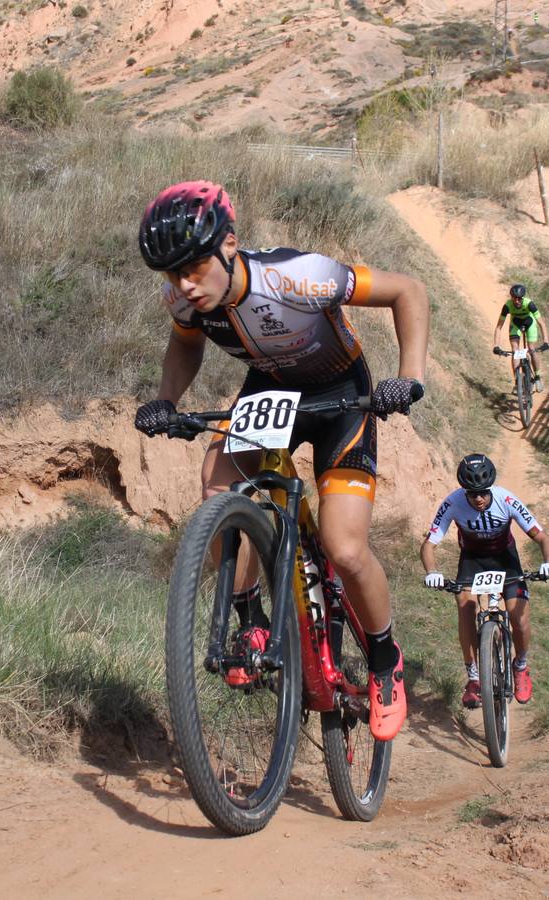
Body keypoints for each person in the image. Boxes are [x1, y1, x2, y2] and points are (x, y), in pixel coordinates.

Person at [133, 181, 430, 742]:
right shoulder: (183, 297)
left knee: (344, 547)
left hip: (343, 396)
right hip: (273, 395)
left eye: (194, 267)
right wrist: (167, 403)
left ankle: (386, 661)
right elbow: (187, 343)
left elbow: (407, 291)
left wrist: (408, 380)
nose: (184, 285)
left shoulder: (296, 275)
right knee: (216, 485)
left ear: (230, 244)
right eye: (171, 274)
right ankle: (251, 623)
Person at [420, 453, 549, 708]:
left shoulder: (506, 499)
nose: (479, 498)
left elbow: (542, 537)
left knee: (519, 616)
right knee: (465, 606)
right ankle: (473, 677)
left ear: (491, 487)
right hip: (472, 560)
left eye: (483, 492)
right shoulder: (452, 503)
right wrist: (432, 572)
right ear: (465, 491)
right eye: (472, 494)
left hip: (505, 560)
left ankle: (521, 666)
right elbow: (429, 544)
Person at [494, 283, 549, 393]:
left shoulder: (529, 304)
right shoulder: (507, 306)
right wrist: (496, 345)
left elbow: (541, 323)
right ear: (511, 297)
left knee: (531, 349)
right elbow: (499, 327)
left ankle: (537, 377)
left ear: (522, 298)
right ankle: (517, 382)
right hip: (516, 324)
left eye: (519, 298)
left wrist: (546, 341)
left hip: (530, 323)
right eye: (514, 298)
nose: (517, 301)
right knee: (515, 351)